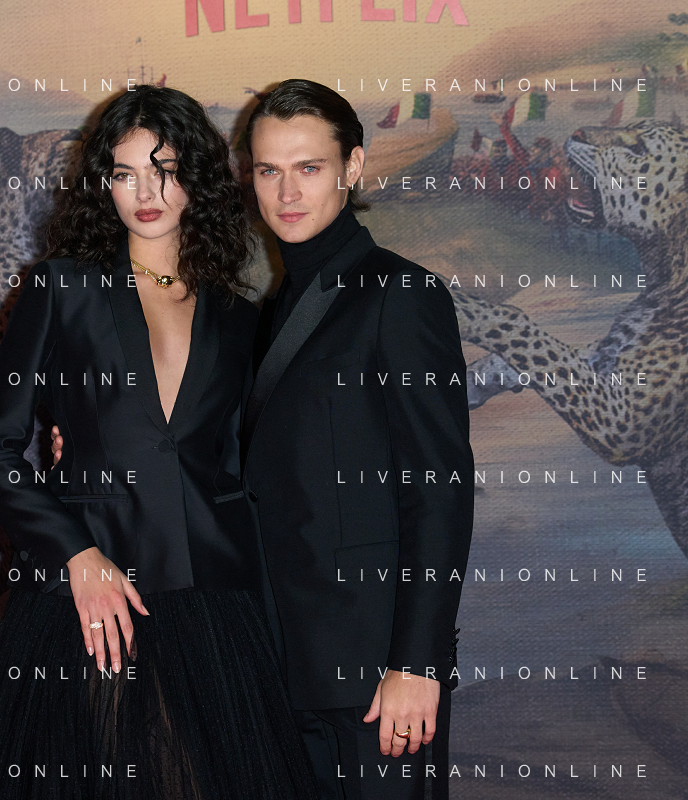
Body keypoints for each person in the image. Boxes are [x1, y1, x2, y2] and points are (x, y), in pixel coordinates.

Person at [0, 85, 318, 800]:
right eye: (124, 174)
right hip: (90, 592)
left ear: (197, 178)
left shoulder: (240, 317)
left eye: (164, 170)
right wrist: (75, 555)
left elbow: (250, 466)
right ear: (103, 185)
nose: (144, 193)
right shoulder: (61, 288)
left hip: (212, 601)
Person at [240, 78, 475, 799]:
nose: (286, 192)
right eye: (268, 170)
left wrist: (418, 663)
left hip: (377, 677)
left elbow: (440, 492)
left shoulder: (401, 296)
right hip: (278, 666)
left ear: (353, 167)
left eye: (308, 168)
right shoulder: (269, 313)